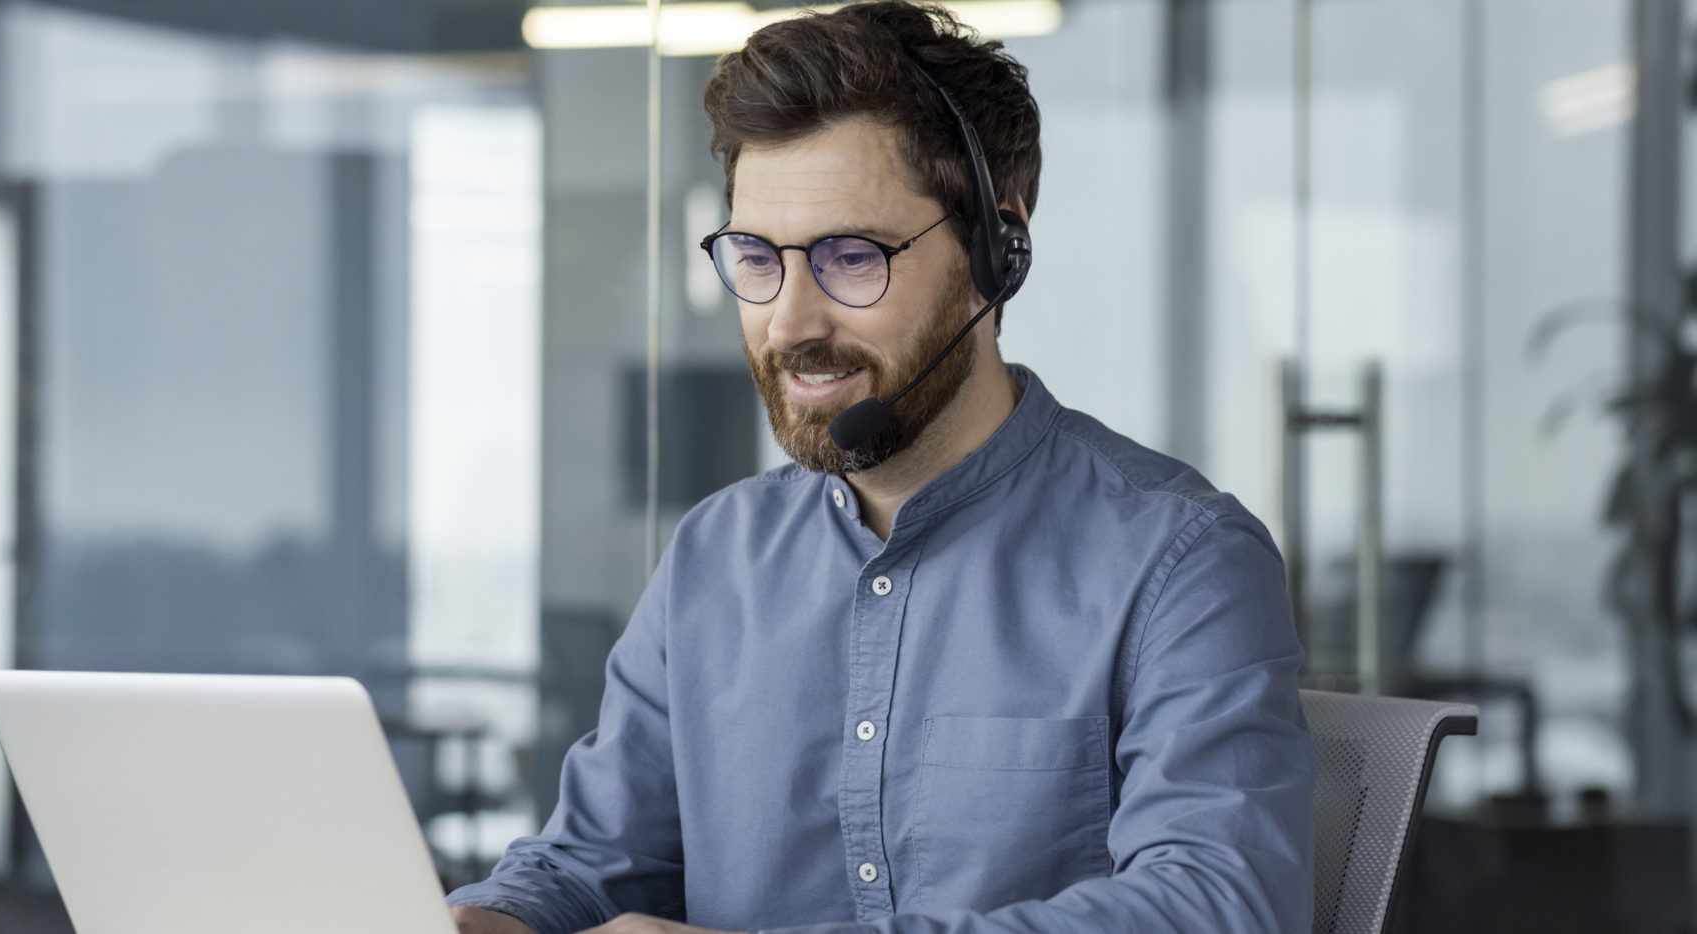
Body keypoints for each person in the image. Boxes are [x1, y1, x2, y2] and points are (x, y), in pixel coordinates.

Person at [449, 3, 1314, 933]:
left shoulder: (1178, 561)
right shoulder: (716, 557)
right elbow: (591, 866)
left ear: (996, 249)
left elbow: (1218, 906)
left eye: (850, 258)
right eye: (756, 257)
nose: (788, 323)